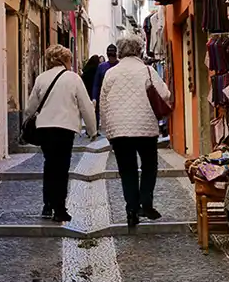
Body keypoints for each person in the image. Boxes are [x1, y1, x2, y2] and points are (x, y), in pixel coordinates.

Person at [99, 34, 171, 228]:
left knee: (127, 170)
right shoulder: (147, 71)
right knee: (149, 165)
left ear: (120, 51)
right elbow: (165, 94)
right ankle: (146, 202)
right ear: (139, 50)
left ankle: (131, 210)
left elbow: (103, 104)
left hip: (119, 130)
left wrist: (107, 129)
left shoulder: (111, 73)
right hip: (145, 127)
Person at [24, 45, 96, 223]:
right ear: (66, 60)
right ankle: (60, 209)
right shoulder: (73, 78)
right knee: (62, 169)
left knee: (50, 166)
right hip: (65, 129)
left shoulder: (41, 78)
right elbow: (85, 106)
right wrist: (92, 130)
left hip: (45, 129)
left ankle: (47, 205)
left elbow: (29, 108)